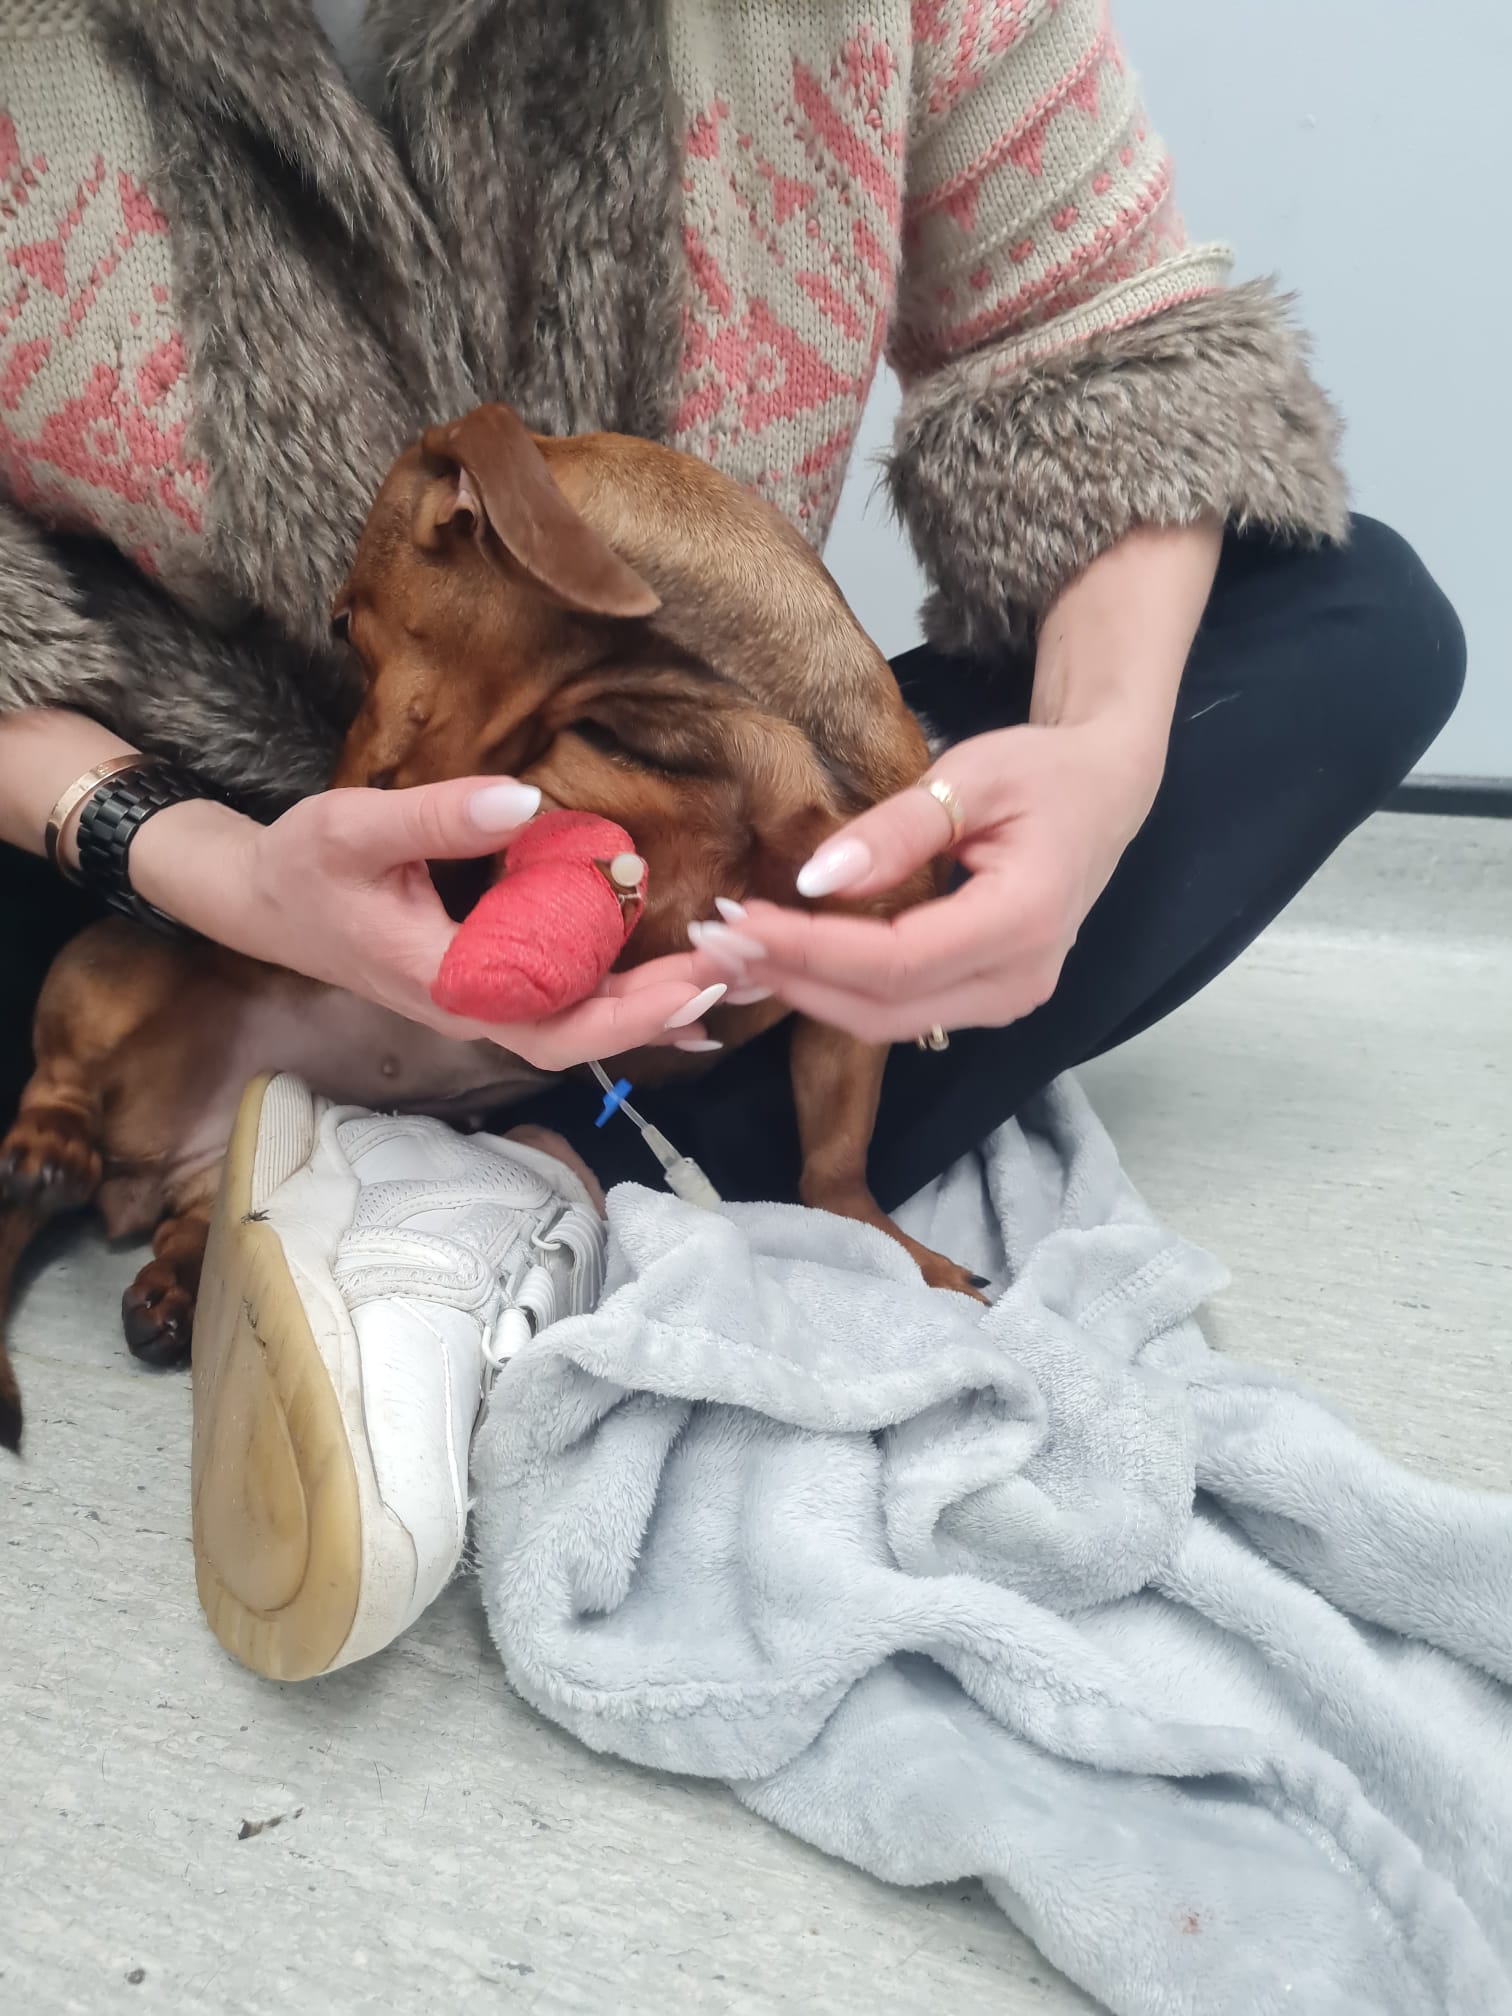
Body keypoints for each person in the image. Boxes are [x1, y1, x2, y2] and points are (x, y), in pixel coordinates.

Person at [0, 1, 1463, 1674]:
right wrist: (190, 856)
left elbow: (1106, 342)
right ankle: (488, 1163)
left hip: (679, 837)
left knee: (1351, 625)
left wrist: (1097, 770)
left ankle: (536, 1193)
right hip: (146, 832)